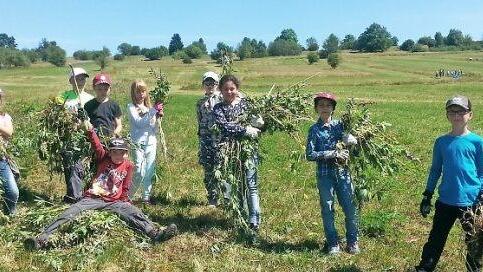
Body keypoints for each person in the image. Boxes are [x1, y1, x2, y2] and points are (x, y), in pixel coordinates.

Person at [24, 120, 178, 250]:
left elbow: (126, 186)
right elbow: (97, 145)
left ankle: (155, 233)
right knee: (70, 213)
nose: (118, 155)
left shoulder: (129, 166)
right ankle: (42, 239)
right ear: (109, 152)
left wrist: (126, 201)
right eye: (115, 152)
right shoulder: (103, 158)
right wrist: (90, 130)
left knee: (135, 213)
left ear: (127, 152)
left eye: (122, 152)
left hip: (114, 201)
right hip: (93, 198)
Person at [416, 95, 482, 272]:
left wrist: (482, 198)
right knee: (436, 238)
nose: (456, 115)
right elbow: (436, 170)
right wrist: (427, 195)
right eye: (452, 111)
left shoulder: (477, 142)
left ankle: (473, 268)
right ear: (447, 115)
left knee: (474, 241)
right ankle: (426, 266)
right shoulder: (441, 142)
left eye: (461, 111)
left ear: (470, 115)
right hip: (446, 201)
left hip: (471, 202)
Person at [305, 92, 359, 255]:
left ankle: (352, 241)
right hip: (324, 175)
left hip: (343, 174)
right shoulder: (314, 130)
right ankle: (333, 242)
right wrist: (332, 153)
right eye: (321, 105)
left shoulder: (341, 126)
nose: (325, 108)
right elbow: (310, 154)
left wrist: (353, 142)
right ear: (316, 109)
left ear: (333, 109)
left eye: (328, 105)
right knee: (327, 208)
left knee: (350, 207)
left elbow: (353, 152)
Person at [213, 74, 264, 231]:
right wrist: (245, 129)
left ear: (237, 89)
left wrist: (259, 124)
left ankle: (254, 220)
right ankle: (240, 217)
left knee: (252, 185)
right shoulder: (218, 108)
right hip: (231, 152)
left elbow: (260, 125)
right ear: (220, 90)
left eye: (232, 88)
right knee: (238, 186)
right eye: (226, 89)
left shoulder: (246, 104)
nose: (229, 92)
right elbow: (224, 126)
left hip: (248, 151)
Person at [57, 67, 95, 203]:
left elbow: (92, 121)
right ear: (70, 80)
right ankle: (73, 196)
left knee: (80, 168)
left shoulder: (90, 98)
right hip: (68, 137)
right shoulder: (62, 97)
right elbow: (57, 116)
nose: (81, 81)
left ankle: (77, 197)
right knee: (70, 167)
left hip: (84, 138)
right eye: (77, 78)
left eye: (83, 78)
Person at [127, 80, 163, 203]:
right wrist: (153, 111)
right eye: (138, 91)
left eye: (143, 91)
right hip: (137, 143)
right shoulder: (131, 107)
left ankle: (146, 197)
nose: (141, 94)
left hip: (151, 143)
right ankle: (128, 196)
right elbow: (139, 123)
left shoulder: (149, 108)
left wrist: (158, 117)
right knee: (139, 171)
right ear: (133, 93)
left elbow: (153, 128)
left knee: (149, 171)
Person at [196, 71, 223, 206]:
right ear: (203, 85)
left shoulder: (222, 99)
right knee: (208, 170)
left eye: (212, 83)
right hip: (205, 140)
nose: (210, 85)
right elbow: (199, 120)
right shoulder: (200, 102)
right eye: (207, 83)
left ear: (217, 84)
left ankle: (225, 196)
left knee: (222, 168)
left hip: (220, 140)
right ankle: (212, 197)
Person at [83, 73, 122, 137]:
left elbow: (119, 125)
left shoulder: (114, 105)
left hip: (111, 138)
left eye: (106, 89)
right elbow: (86, 124)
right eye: (99, 89)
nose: (103, 92)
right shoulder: (88, 105)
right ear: (94, 88)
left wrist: (115, 133)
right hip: (95, 139)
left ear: (110, 89)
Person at [0, 88, 19, 216]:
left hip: (1, 159)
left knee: (12, 192)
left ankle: (9, 216)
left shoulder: (5, 117)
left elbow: (9, 133)